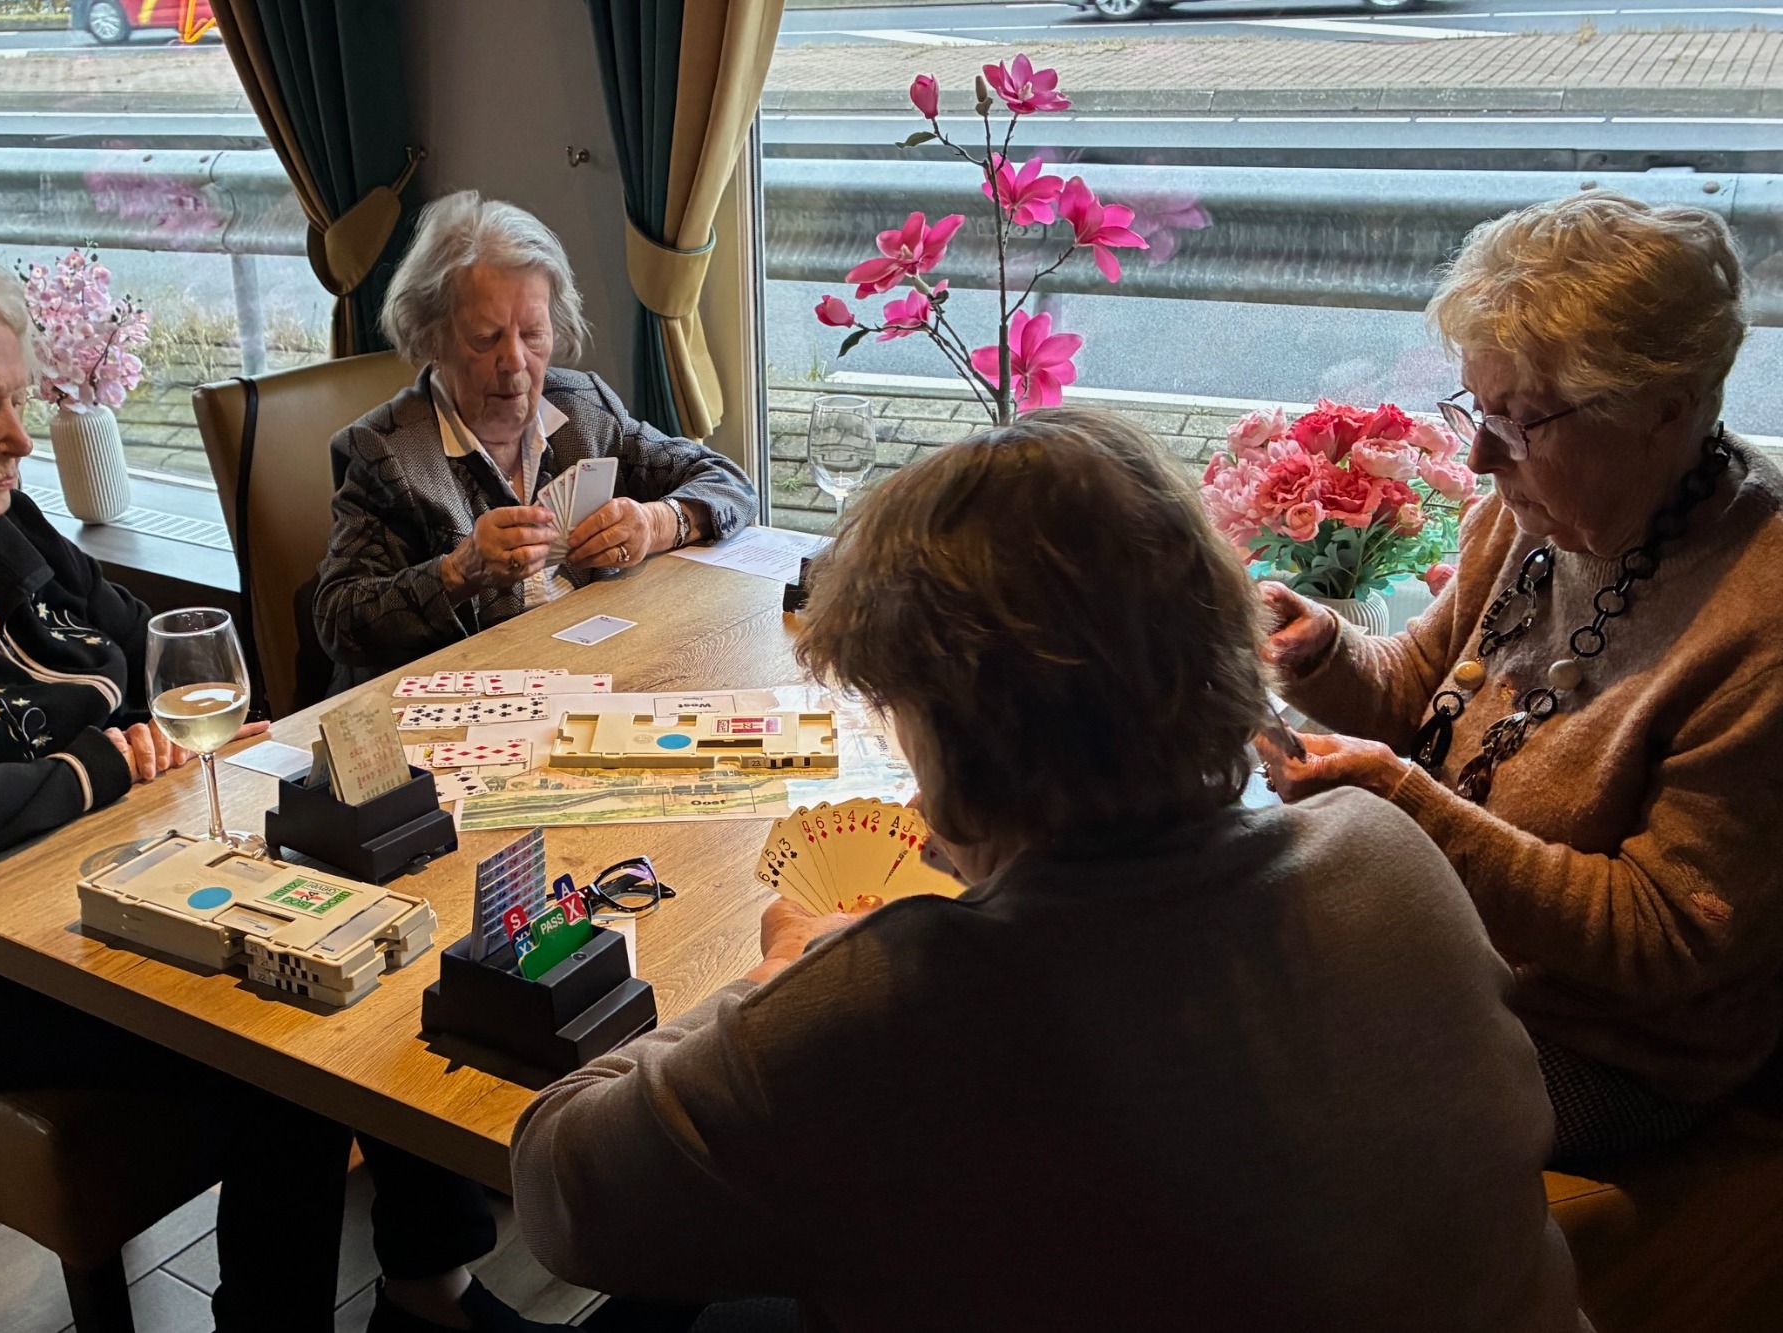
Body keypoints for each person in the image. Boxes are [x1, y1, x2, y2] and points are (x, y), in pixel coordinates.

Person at [509, 408, 1584, 1333]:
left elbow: (560, 1186)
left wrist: (778, 977)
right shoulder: (1384, 850)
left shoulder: (888, 1000)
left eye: (899, 721)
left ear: (953, 734)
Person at [0, 250, 567, 1333]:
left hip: (129, 872)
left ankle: (429, 1289)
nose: (21, 438)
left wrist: (149, 746)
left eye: (18, 401)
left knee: (386, 918)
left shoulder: (2, 525)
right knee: (290, 1026)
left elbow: (148, 649)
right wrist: (107, 763)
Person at [1254, 191, 1783, 1169]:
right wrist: (1322, 651)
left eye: (1520, 418)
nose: (1480, 452)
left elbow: (1662, 934)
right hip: (1444, 950)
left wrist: (1408, 808)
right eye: (1476, 407)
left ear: (1664, 407)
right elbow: (1421, 696)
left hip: (1610, 1050)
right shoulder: (1532, 511)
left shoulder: (1762, 615)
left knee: (1273, 1118)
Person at [314, 191, 757, 690]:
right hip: (463, 703)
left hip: (596, 675)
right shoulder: (386, 451)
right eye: (485, 338)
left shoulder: (584, 408)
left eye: (533, 334)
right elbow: (339, 618)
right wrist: (458, 572)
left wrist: (655, 523)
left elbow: (729, 482)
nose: (515, 362)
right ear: (432, 338)